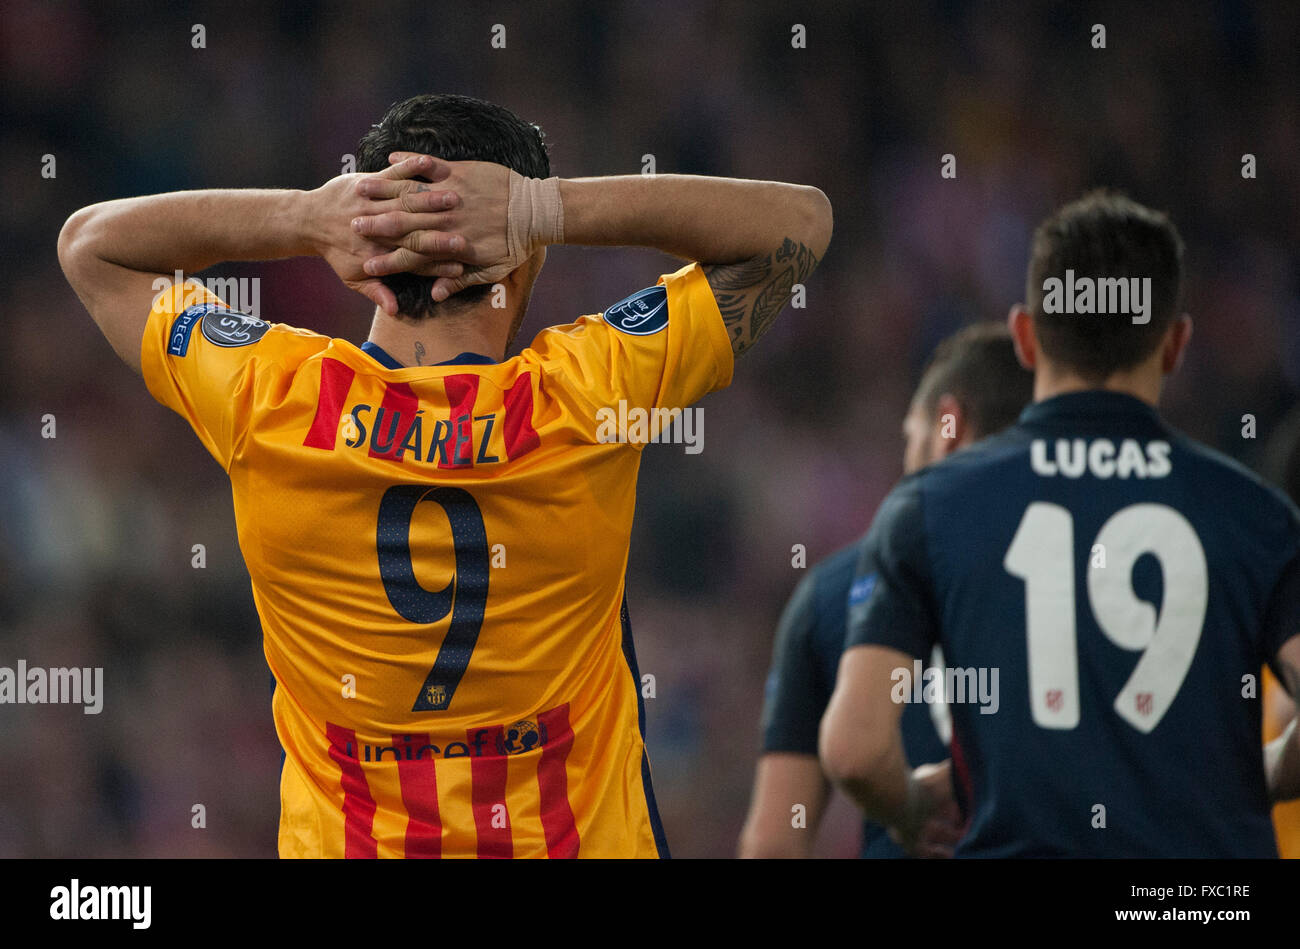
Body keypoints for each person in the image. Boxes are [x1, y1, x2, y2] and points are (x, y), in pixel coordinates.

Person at [58, 92, 832, 858]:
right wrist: (551, 208)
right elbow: (800, 226)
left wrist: (303, 218)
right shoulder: (588, 393)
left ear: (365, 249)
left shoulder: (271, 397)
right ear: (522, 261)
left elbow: (91, 245)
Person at [820, 190, 1300, 857]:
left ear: (1023, 336)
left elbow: (854, 749)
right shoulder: (1255, 514)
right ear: (1176, 344)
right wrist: (1269, 770)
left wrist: (906, 809)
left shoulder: (929, 507)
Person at [739, 323, 1031, 858]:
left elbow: (773, 843)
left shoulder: (832, 594)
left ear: (948, 425)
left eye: (909, 436)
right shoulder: (1095, 574)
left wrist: (911, 809)